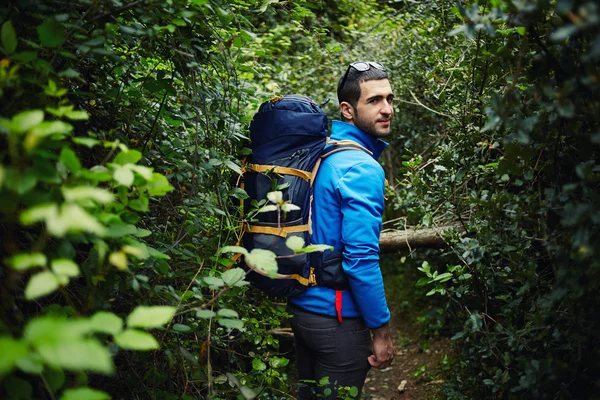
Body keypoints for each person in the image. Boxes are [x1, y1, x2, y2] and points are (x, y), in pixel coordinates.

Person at [288, 61, 396, 399]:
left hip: (304, 311)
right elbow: (360, 259)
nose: (387, 109)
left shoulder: (323, 153)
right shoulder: (361, 167)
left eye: (390, 99)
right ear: (347, 110)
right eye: (374, 101)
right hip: (337, 321)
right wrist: (381, 330)